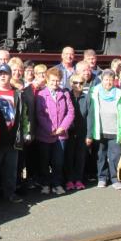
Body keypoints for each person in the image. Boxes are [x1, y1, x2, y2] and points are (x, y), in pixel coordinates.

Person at [0, 64, 27, 204]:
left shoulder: (17, 93)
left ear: (10, 75)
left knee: (11, 169)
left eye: (6, 73)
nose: (3, 76)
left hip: (13, 137)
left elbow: (23, 115)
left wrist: (25, 132)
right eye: (0, 73)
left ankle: (10, 193)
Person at [87, 69, 121, 190]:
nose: (108, 82)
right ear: (102, 79)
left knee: (115, 156)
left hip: (116, 131)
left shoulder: (120, 94)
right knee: (100, 156)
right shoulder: (94, 92)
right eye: (106, 79)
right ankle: (102, 178)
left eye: (111, 80)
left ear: (114, 81)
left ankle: (115, 179)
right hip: (99, 131)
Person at [35, 67, 75, 195]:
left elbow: (70, 112)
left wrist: (62, 128)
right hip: (45, 134)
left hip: (61, 135)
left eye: (57, 81)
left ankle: (57, 184)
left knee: (58, 162)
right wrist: (50, 129)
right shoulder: (41, 94)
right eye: (52, 81)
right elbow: (39, 114)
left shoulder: (65, 93)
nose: (55, 83)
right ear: (47, 80)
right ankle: (46, 184)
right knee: (44, 161)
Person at [65, 74, 90, 190]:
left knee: (80, 157)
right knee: (68, 157)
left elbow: (90, 117)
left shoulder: (87, 98)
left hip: (82, 132)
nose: (78, 85)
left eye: (81, 83)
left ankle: (79, 180)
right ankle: (69, 180)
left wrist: (89, 135)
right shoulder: (66, 96)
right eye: (75, 83)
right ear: (71, 83)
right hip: (68, 133)